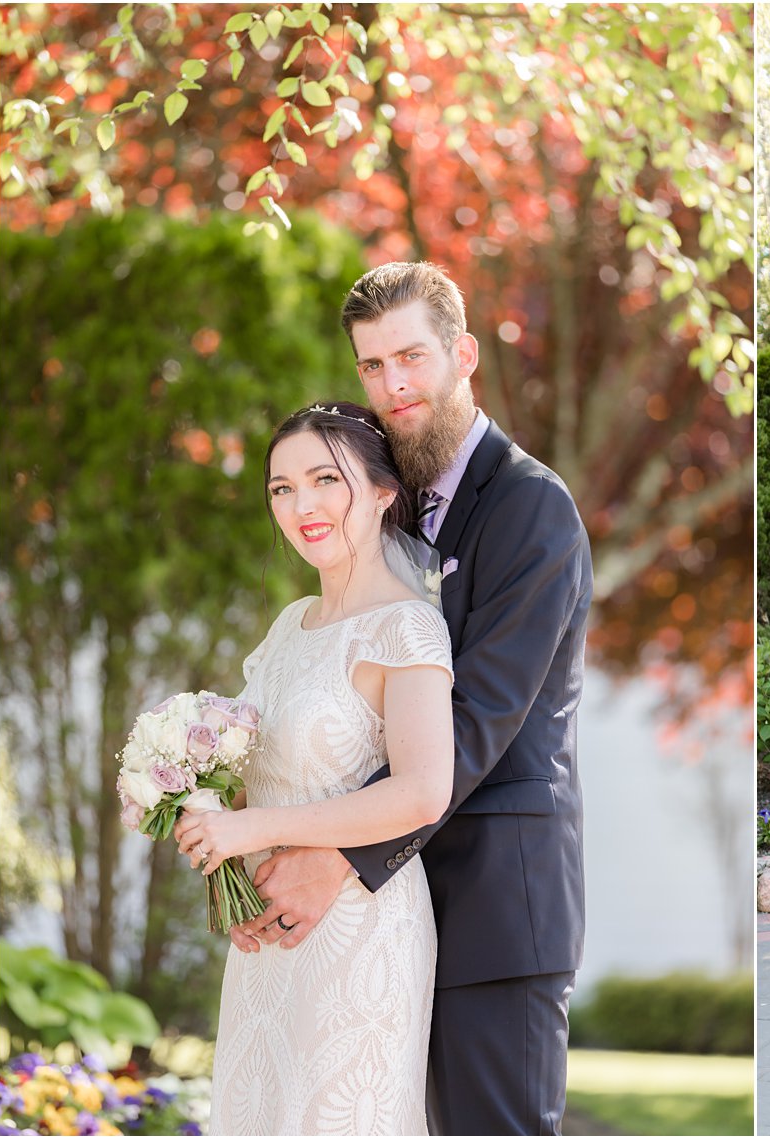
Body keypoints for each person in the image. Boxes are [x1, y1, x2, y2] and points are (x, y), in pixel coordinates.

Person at [231, 262, 593, 1135]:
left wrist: (339, 859)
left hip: (493, 907)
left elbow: (480, 719)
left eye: (411, 358)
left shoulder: (530, 509)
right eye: (371, 366)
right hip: (379, 924)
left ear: (463, 354)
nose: (392, 385)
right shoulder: (385, 500)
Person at [176, 401, 454, 1134]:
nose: (303, 505)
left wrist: (252, 826)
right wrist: (217, 843)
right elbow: (250, 768)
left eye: (326, 479)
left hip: (362, 929)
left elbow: (424, 790)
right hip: (270, 934)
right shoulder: (288, 624)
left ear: (384, 491)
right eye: (281, 487)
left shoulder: (409, 626)